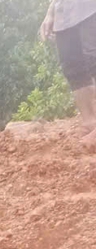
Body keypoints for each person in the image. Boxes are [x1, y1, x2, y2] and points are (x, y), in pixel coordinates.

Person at [40, 0, 96, 143]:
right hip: (65, 15)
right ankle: (90, 123)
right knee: (73, 68)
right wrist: (51, 12)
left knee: (93, 58)